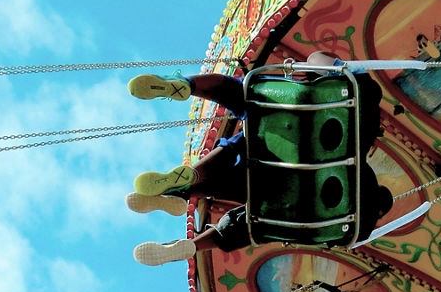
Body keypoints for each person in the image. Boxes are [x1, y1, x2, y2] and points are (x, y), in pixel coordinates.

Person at [126, 52, 392, 266]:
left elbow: (341, 73)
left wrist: (319, 63)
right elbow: (324, 236)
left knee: (240, 103)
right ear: (376, 209)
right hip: (277, 186)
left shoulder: (362, 136)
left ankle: (186, 85)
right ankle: (190, 230)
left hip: (292, 116)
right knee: (247, 214)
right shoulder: (356, 223)